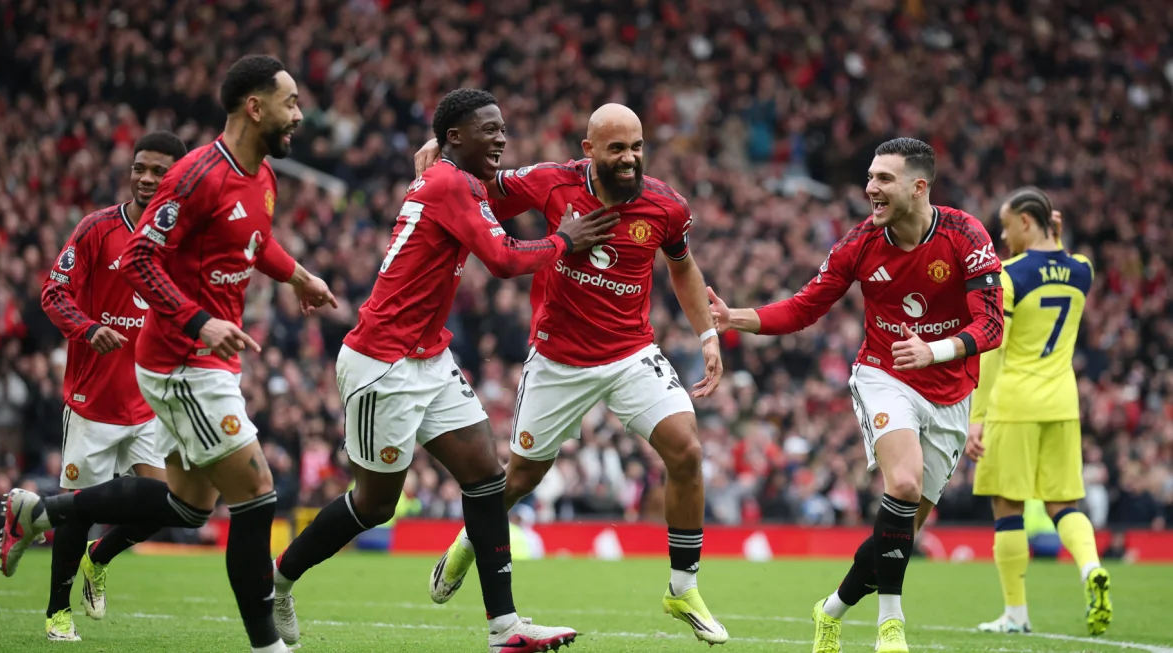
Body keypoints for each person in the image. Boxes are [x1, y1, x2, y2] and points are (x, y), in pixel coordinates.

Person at [0, 54, 336, 653]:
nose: (299, 116)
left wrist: (299, 277)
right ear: (254, 108)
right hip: (180, 362)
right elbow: (137, 260)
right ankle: (268, 645)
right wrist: (200, 322)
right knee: (257, 495)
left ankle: (40, 512)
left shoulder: (262, 176)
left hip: (205, 362)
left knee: (187, 506)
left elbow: (256, 243)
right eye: (291, 103)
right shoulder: (197, 176)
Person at [269, 88, 617, 653]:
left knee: (485, 476)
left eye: (504, 128)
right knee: (375, 505)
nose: (502, 138)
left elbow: (474, 206)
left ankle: (505, 630)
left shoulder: (451, 180)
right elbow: (503, 261)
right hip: (382, 363)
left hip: (428, 356)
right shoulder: (451, 183)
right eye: (489, 129)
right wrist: (563, 241)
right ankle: (278, 579)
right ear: (455, 136)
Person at [412, 103, 728, 645]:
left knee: (687, 450)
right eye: (616, 149)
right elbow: (472, 182)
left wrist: (707, 334)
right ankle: (468, 542)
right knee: (520, 479)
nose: (629, 159)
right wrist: (435, 157)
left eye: (636, 147)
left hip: (631, 353)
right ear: (589, 151)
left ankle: (682, 587)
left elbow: (683, 266)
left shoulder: (666, 204)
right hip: (559, 360)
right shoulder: (550, 183)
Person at [708, 137, 1004, 653]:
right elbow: (804, 307)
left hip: (951, 390)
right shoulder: (859, 243)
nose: (870, 188)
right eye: (869, 177)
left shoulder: (965, 234)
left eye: (883, 179)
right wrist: (738, 318)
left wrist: (934, 351)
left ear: (919, 186)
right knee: (904, 483)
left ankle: (831, 610)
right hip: (883, 374)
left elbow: (992, 325)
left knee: (900, 531)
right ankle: (891, 625)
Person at [33, 131, 187, 641]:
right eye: (139, 168)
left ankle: (101, 557)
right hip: (93, 402)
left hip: (148, 404)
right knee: (76, 508)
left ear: (177, 176)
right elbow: (53, 293)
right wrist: (88, 327)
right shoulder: (97, 229)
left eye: (157, 171)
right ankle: (58, 613)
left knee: (169, 506)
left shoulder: (183, 239)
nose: (145, 178)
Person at [966, 188, 1110, 636]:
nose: (1003, 238)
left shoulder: (1009, 276)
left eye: (1008, 226)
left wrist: (976, 415)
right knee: (1063, 504)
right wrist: (1056, 237)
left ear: (1027, 222)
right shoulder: (1082, 270)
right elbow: (1059, 258)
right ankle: (1090, 568)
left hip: (1014, 403)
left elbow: (991, 350)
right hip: (1063, 403)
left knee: (1006, 506)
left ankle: (1016, 614)